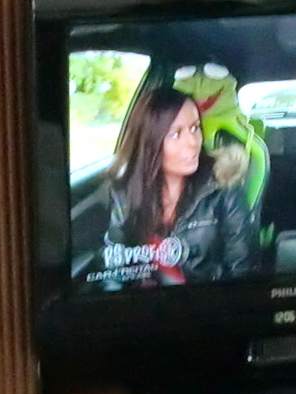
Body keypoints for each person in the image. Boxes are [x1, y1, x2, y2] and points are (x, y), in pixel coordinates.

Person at [97, 85, 260, 289]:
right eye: (176, 134)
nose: (193, 142)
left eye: (195, 128)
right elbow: (113, 271)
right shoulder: (125, 193)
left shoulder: (223, 187)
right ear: (150, 142)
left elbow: (241, 273)